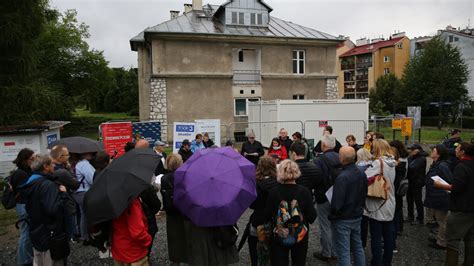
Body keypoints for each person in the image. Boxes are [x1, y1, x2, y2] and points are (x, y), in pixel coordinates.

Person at [264, 160, 317, 265]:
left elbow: (267, 215)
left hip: (279, 234)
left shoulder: (274, 192)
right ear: (296, 172)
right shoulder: (304, 191)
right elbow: (312, 216)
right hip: (300, 235)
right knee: (299, 262)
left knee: (278, 262)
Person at [18, 154, 69, 265]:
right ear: (46, 166)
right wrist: (64, 195)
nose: (54, 165)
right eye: (52, 163)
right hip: (51, 236)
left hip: (36, 232)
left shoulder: (30, 182)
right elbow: (53, 209)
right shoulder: (47, 185)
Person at [434, 142, 474, 265]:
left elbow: (457, 187)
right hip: (472, 209)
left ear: (462, 152)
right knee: (471, 241)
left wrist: (440, 185)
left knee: (452, 242)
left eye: (457, 148)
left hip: (461, 209)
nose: (455, 150)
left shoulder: (461, 167)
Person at [330, 146, 367, 266]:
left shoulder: (342, 177)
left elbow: (337, 203)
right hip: (357, 215)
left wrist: (332, 215)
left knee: (343, 252)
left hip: (343, 219)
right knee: (358, 247)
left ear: (341, 158)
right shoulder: (361, 173)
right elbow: (364, 193)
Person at [364, 139, 397, 266]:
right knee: (388, 235)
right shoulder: (392, 162)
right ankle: (387, 261)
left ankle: (376, 262)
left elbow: (365, 177)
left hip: (378, 203)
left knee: (376, 236)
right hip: (389, 201)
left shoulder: (378, 163)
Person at [312, 135, 340, 261]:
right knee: (336, 224)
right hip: (338, 194)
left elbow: (317, 178)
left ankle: (327, 253)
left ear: (323, 145)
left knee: (325, 225)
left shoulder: (319, 160)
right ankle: (335, 251)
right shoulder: (340, 156)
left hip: (323, 195)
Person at [247, 156, 279, 266]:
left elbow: (251, 205)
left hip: (258, 218)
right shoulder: (278, 183)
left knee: (253, 242)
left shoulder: (255, 184)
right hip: (274, 219)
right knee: (273, 245)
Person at [160, 154, 190, 265]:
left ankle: (175, 261)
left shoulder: (164, 178)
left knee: (174, 239)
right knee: (187, 236)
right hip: (184, 212)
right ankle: (188, 257)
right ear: (178, 163)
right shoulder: (184, 176)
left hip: (172, 213)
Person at [424, 145, 452, 250]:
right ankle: (439, 238)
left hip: (440, 197)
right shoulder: (436, 164)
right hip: (434, 196)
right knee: (438, 220)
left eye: (434, 150)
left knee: (442, 221)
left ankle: (442, 242)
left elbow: (450, 180)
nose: (431, 152)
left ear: (439, 154)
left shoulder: (442, 166)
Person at [10, 148, 34, 266]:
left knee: (28, 232)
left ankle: (26, 258)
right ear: (24, 160)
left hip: (24, 204)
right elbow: (24, 190)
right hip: (23, 204)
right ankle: (24, 261)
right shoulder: (20, 173)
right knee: (26, 233)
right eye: (31, 159)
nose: (33, 161)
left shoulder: (25, 171)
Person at [111, 195, 152, 265]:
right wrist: (148, 239)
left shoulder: (111, 200)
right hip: (134, 251)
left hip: (118, 248)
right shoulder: (131, 200)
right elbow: (138, 232)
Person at [73, 152, 96, 243]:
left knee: (83, 215)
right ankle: (87, 236)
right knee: (86, 215)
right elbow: (91, 178)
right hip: (84, 192)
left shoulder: (78, 164)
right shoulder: (84, 164)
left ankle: (84, 235)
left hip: (78, 192)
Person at [389, 140, 409, 236]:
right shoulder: (403, 159)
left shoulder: (401, 162)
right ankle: (398, 227)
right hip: (398, 187)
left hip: (397, 187)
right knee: (398, 207)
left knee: (397, 208)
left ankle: (397, 228)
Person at [406, 144, 428, 225]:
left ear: (417, 150)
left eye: (412, 150)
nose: (410, 151)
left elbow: (411, 167)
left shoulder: (421, 158)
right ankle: (410, 216)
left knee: (418, 200)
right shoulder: (412, 157)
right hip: (411, 181)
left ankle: (420, 219)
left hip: (417, 182)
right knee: (409, 199)